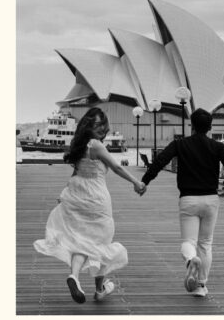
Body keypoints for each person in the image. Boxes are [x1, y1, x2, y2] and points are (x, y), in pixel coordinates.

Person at [33, 107, 147, 303]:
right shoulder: (95, 145)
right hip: (95, 198)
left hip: (77, 195)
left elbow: (75, 173)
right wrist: (136, 182)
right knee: (102, 240)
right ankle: (100, 288)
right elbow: (117, 167)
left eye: (103, 125)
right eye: (97, 125)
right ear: (88, 126)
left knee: (82, 240)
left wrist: (64, 194)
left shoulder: (79, 144)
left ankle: (74, 277)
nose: (102, 129)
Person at [140, 108, 224, 297]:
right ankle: (201, 285)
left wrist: (145, 181)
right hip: (211, 199)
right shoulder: (218, 147)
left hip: (188, 199)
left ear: (191, 125)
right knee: (206, 243)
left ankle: (191, 260)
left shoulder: (180, 144)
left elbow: (160, 160)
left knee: (188, 242)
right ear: (210, 126)